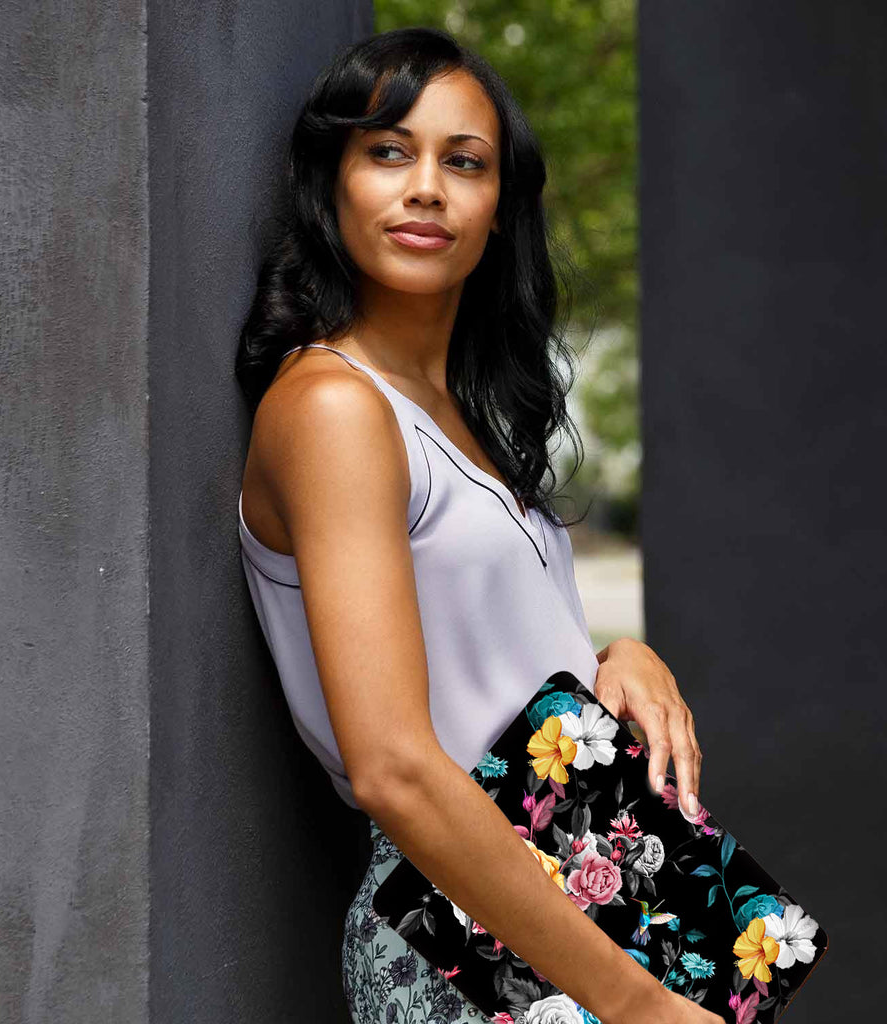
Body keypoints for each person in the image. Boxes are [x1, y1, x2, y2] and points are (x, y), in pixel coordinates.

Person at [235, 26, 719, 1024]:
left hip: (581, 884)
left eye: (463, 162)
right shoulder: (333, 407)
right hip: (460, 922)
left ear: (499, 210)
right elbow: (395, 765)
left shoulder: (456, 414)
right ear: (331, 184)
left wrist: (615, 658)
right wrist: (634, 1004)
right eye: (387, 152)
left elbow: (483, 666)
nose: (425, 187)